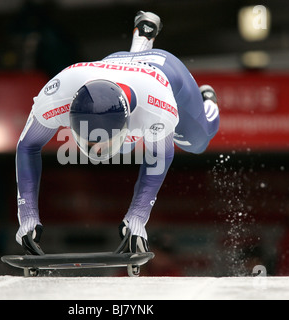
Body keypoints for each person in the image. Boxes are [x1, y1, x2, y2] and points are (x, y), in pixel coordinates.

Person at [15, 11, 220, 255]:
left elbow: (158, 159)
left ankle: (207, 98)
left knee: (197, 142)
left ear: (125, 124)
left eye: (100, 142)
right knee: (124, 147)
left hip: (165, 72)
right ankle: (141, 39)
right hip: (117, 65)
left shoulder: (156, 109)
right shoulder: (57, 95)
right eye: (88, 140)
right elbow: (27, 146)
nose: (95, 151)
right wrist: (27, 216)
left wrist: (137, 217)